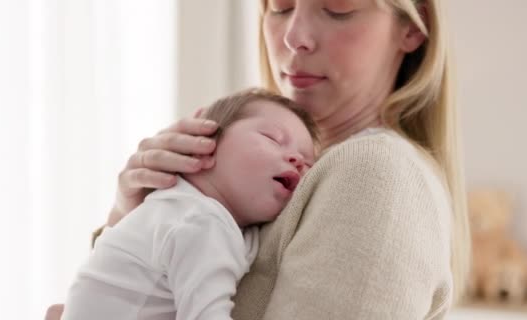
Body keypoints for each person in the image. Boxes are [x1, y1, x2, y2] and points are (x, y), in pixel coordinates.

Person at [47, 0, 471, 319]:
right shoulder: (267, 188)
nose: (294, 36)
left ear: (413, 28)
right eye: (280, 6)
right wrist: (131, 217)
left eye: (338, 8)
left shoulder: (376, 174)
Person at [61, 89, 318, 320]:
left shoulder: (183, 210)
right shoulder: (200, 219)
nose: (296, 160)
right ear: (201, 141)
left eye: (307, 164)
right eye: (272, 138)